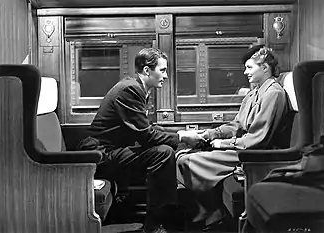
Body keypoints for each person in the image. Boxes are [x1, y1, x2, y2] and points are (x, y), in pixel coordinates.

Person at [77, 47, 204, 233]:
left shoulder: (137, 88)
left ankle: (165, 217)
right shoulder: (130, 89)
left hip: (111, 151)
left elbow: (149, 129)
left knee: (163, 150)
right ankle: (155, 225)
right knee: (162, 153)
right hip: (99, 154)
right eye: (163, 70)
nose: (166, 76)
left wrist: (182, 133)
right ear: (147, 70)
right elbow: (147, 136)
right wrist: (182, 137)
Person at [176, 44, 289, 229]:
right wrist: (210, 134)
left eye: (249, 67)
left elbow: (258, 139)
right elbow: (237, 125)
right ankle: (211, 214)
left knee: (187, 161)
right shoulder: (253, 93)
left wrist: (223, 143)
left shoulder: (274, 94)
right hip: (241, 147)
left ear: (265, 67)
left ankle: (211, 215)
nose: (245, 72)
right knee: (182, 155)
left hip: (253, 155)